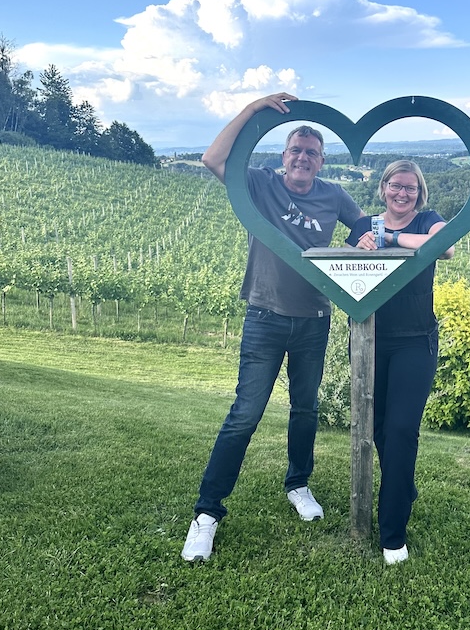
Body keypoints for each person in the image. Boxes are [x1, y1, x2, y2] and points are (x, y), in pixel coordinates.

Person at [182, 93, 364, 562]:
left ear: (322, 161)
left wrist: (360, 247)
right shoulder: (260, 184)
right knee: (245, 413)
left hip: (314, 318)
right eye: (295, 150)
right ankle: (206, 514)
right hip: (264, 316)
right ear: (283, 156)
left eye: (312, 153)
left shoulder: (334, 195)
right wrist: (253, 109)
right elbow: (212, 159)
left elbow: (367, 231)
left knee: (305, 408)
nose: (303, 158)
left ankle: (298, 485)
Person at [346, 160, 454, 564]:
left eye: (411, 187)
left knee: (402, 430)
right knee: (377, 429)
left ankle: (393, 535)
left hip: (415, 341)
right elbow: (343, 268)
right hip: (369, 340)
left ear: (420, 193)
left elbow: (445, 247)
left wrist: (390, 237)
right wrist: (359, 249)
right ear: (383, 187)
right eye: (396, 185)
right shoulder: (363, 226)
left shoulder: (428, 220)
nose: (402, 193)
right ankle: (403, 486)